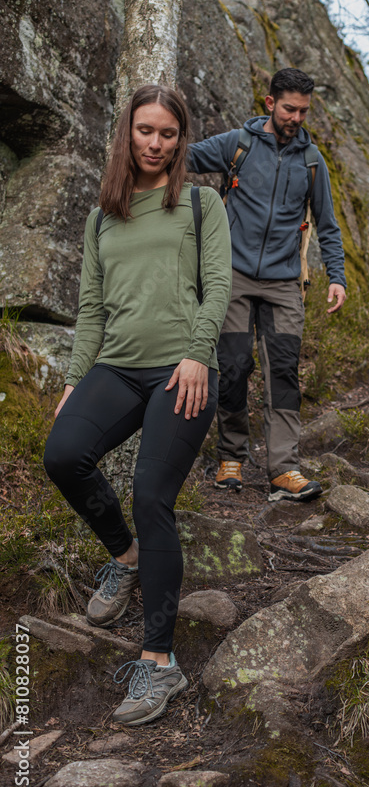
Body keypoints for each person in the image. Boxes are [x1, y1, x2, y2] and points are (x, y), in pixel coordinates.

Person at [43, 84, 232, 726]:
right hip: (117, 367)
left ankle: (159, 663)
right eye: (145, 131)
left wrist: (197, 353)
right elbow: (91, 308)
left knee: (153, 496)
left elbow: (219, 288)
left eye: (168, 134)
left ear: (181, 141)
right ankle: (124, 558)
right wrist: (75, 379)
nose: (155, 143)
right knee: (65, 454)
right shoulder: (104, 217)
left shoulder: (202, 204)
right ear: (127, 134)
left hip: (182, 371)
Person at [187, 67, 347, 502]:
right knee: (234, 367)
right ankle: (231, 456)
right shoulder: (237, 145)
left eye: (303, 110)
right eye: (289, 108)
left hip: (283, 285)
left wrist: (337, 277)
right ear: (269, 103)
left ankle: (284, 467)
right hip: (232, 278)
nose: (296, 117)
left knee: (284, 373)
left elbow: (328, 227)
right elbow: (178, 158)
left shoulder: (312, 162)